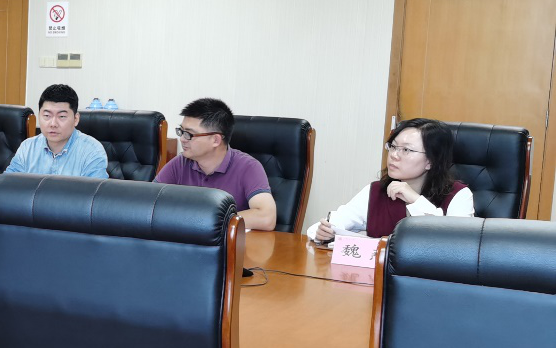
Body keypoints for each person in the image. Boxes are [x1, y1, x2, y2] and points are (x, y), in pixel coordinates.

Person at [308, 117, 473, 242]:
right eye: (393, 147)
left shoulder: (458, 195)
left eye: (406, 150)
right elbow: (324, 225)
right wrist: (322, 232)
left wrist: (415, 200)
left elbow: (460, 244)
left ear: (431, 161)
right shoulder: (376, 191)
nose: (394, 155)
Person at [155, 97, 278, 231]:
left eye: (189, 134)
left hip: (228, 243)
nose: (182, 139)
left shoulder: (248, 167)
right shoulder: (180, 163)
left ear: (215, 140)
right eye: (181, 131)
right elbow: (149, 203)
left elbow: (267, 217)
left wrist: (207, 221)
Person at [3, 83, 108, 178]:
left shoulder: (92, 151)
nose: (53, 124)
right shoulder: (27, 147)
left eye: (61, 116)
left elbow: (95, 192)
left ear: (76, 119)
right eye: (47, 115)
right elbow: (7, 184)